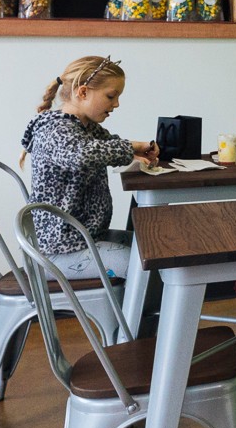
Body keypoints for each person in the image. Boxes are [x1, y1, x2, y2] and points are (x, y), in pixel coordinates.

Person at [20, 55, 158, 280]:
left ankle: (146, 314)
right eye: (111, 96)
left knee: (156, 249)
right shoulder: (53, 130)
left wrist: (135, 152)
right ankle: (133, 316)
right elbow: (82, 154)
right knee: (144, 264)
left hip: (83, 238)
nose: (116, 104)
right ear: (83, 92)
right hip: (58, 250)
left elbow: (105, 147)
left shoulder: (85, 127)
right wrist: (131, 146)